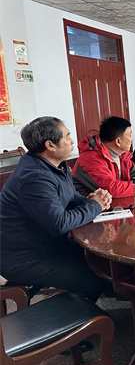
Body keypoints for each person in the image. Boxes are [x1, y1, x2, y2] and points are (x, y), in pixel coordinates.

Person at [0, 117, 112, 302]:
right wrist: (95, 205)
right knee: (91, 278)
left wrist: (89, 200)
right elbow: (59, 224)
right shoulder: (34, 177)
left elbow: (71, 197)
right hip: (25, 259)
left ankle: (119, 294)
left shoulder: (55, 165)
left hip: (49, 245)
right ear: (50, 145)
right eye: (67, 136)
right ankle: (71, 315)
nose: (72, 141)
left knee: (100, 259)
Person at [72, 116, 135, 198]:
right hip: (87, 208)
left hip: (113, 204)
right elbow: (112, 189)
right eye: (130, 135)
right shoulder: (91, 158)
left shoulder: (121, 154)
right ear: (118, 141)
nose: (132, 139)